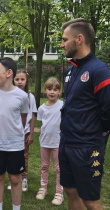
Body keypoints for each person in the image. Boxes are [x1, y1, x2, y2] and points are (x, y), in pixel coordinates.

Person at [59, 18, 110, 210]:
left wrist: (101, 130)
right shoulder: (71, 71)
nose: (61, 45)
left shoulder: (99, 70)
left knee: (91, 201)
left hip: (86, 146)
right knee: (69, 190)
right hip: (67, 142)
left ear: (79, 39)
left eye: (64, 39)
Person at [0, 57, 29, 210]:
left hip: (15, 145)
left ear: (9, 73)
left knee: (15, 179)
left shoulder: (22, 96)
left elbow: (22, 119)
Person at [36, 77, 64, 205]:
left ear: (59, 91)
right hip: (44, 142)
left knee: (59, 168)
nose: (52, 92)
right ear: (45, 90)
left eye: (55, 89)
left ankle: (59, 192)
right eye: (49, 89)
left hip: (58, 142)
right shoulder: (41, 108)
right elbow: (43, 123)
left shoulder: (63, 106)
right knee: (44, 166)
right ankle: (43, 188)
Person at [12, 70, 37, 192]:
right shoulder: (10, 94)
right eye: (17, 79)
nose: (19, 82)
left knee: (24, 156)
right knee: (13, 155)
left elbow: (32, 116)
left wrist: (31, 133)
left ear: (26, 81)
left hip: (24, 131)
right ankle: (14, 178)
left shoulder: (30, 97)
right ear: (13, 80)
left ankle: (24, 179)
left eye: (22, 79)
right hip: (12, 131)